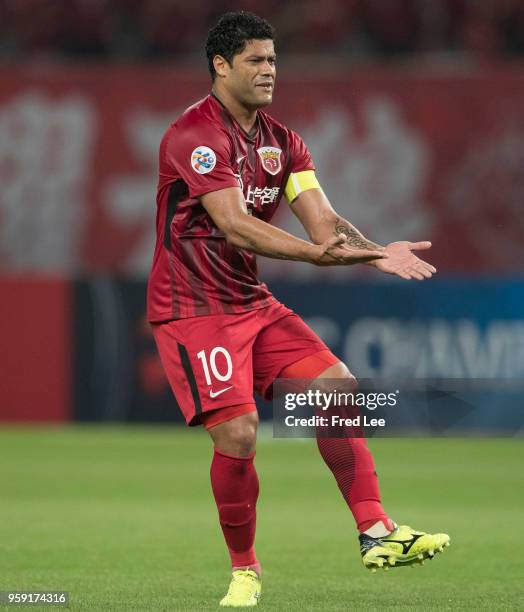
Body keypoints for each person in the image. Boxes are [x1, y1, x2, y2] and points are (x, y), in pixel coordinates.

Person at [147, 11, 450, 608]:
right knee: (238, 433)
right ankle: (245, 571)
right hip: (194, 307)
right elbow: (236, 227)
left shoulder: (284, 143)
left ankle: (376, 533)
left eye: (274, 60)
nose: (269, 71)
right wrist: (321, 257)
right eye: (256, 60)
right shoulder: (194, 136)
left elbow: (323, 222)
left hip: (250, 302)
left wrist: (371, 251)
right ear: (221, 65)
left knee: (339, 387)